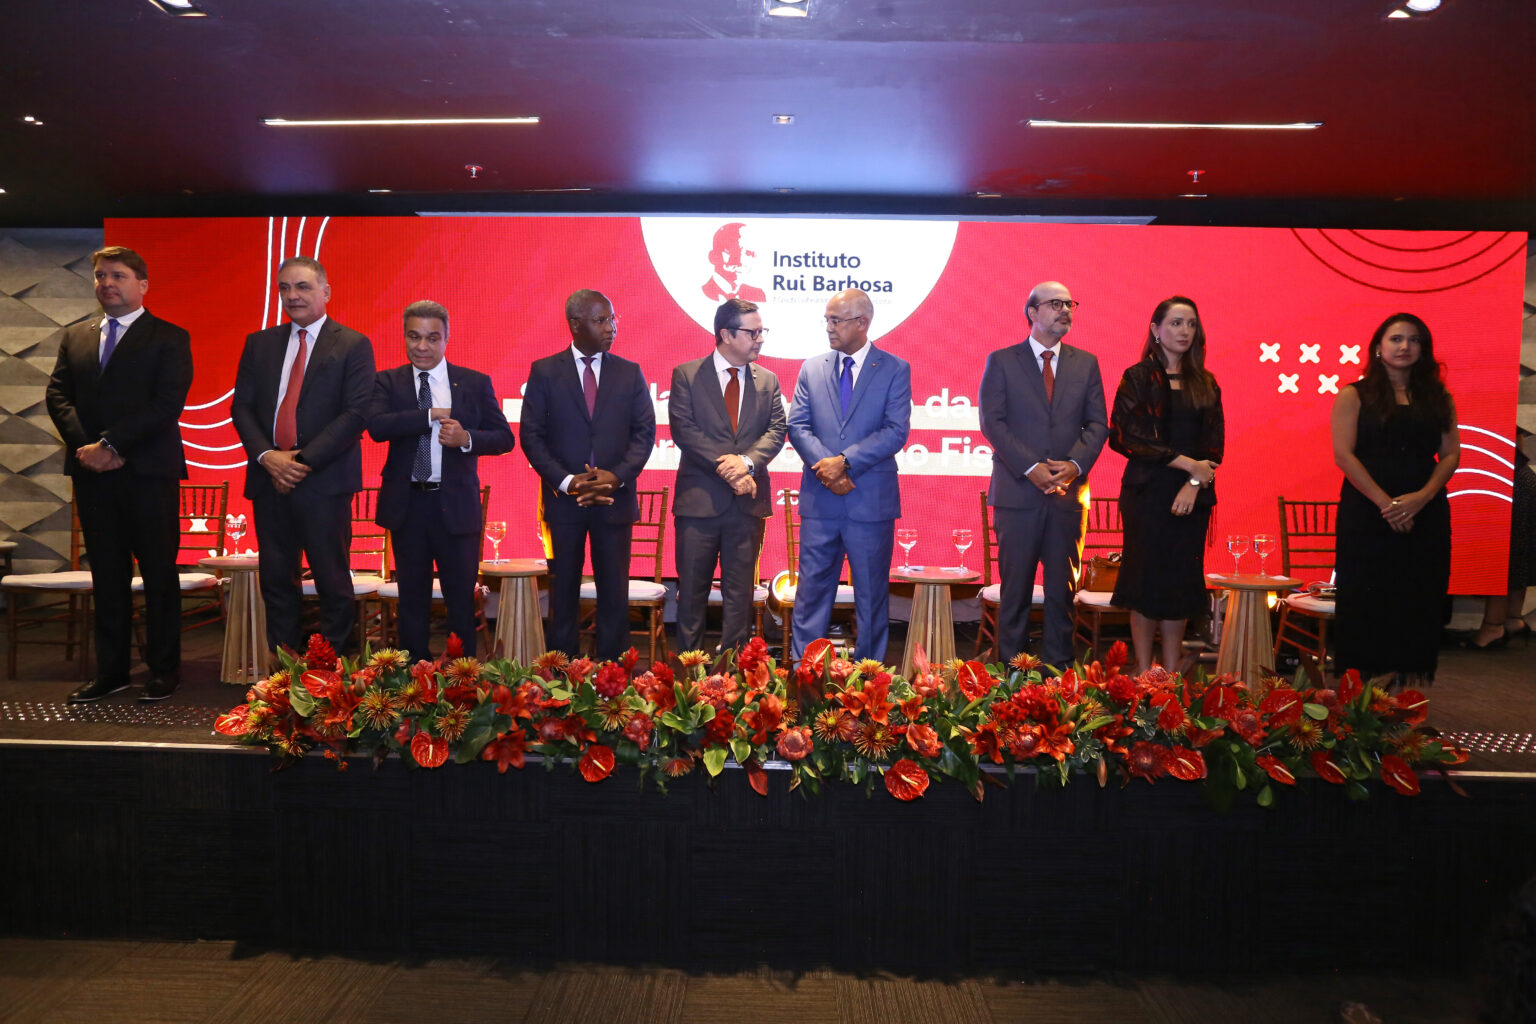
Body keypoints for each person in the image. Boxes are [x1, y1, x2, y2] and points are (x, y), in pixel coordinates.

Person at [44, 246, 193, 702]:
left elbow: (167, 404)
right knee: (107, 576)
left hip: (148, 474)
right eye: (100, 275)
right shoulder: (76, 336)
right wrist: (87, 449)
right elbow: (57, 396)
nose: (107, 283)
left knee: (158, 574)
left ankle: (163, 670)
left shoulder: (169, 336)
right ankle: (112, 672)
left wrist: (112, 445)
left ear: (142, 284)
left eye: (118, 275)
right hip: (93, 475)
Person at [231, 256, 376, 656]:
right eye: (285, 288)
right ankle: (284, 673)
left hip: (323, 482)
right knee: (277, 581)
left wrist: (298, 462)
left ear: (325, 292)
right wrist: (267, 456)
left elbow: (356, 413)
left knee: (332, 582)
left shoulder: (353, 344)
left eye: (303, 287)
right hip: (268, 479)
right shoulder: (259, 344)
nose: (292, 295)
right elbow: (241, 407)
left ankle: (332, 676)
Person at [368, 300, 515, 659]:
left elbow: (504, 438)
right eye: (414, 337)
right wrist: (429, 414)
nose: (422, 346)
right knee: (412, 601)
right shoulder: (388, 381)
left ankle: (462, 680)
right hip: (408, 506)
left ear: (446, 338)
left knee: (460, 601)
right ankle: (413, 679)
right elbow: (377, 427)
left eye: (432, 338)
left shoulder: (474, 383)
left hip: (456, 507)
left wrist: (466, 439)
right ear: (404, 337)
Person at [520, 290, 656, 660]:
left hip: (614, 500)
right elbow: (531, 436)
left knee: (614, 594)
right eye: (600, 320)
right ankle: (561, 676)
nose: (611, 327)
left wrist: (616, 477)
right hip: (565, 503)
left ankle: (614, 676)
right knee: (563, 593)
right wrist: (568, 482)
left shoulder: (629, 373)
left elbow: (644, 433)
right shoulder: (545, 371)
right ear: (576, 325)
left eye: (612, 318)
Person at [979, 280, 1108, 669]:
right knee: (1015, 593)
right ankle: (1010, 678)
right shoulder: (1002, 361)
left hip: (1068, 496)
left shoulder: (1086, 363)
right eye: (1055, 303)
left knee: (1061, 593)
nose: (1065, 310)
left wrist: (1074, 465)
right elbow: (993, 422)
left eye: (1070, 303)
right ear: (1032, 312)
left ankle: (1058, 677)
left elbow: (1097, 424)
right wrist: (1031, 467)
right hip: (1017, 494)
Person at [1331, 312, 1460, 685]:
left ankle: (1401, 692)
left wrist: (1422, 498)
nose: (1405, 346)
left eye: (1414, 340)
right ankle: (1360, 691)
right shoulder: (1354, 395)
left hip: (1426, 512)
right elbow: (1344, 455)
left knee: (1418, 597)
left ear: (1424, 349)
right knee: (1367, 598)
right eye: (1396, 339)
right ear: (1378, 347)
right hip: (1367, 511)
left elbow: (1450, 454)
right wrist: (1387, 505)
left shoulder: (1438, 397)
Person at [786, 288, 911, 663]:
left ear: (862, 323)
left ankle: (869, 680)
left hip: (870, 503)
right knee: (810, 595)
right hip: (821, 502)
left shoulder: (894, 368)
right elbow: (798, 426)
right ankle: (805, 675)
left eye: (836, 320)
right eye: (827, 320)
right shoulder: (812, 367)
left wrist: (844, 461)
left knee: (871, 597)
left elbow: (895, 431)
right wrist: (828, 469)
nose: (829, 327)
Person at [1107, 296, 1225, 676]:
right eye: (1176, 323)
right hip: (1147, 494)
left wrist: (1193, 480)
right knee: (1145, 582)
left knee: (1178, 585)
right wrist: (1187, 463)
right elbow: (1125, 436)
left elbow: (1213, 448)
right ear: (1156, 329)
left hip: (1193, 497)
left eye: (1191, 324)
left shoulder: (1206, 382)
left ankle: (1171, 676)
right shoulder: (1138, 377)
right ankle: (1144, 674)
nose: (1184, 331)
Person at [668, 298, 787, 655]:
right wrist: (730, 470)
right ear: (726, 334)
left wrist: (746, 463)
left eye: (762, 331)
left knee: (740, 597)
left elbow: (776, 430)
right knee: (692, 594)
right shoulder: (687, 375)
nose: (760, 339)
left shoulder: (768, 380)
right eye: (753, 332)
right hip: (698, 504)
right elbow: (685, 431)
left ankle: (732, 674)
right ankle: (689, 675)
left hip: (746, 506)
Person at [1466, 425, 1533, 649]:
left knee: (1502, 553)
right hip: (1518, 475)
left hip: (1503, 478)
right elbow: (1518, 439)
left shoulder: (1477, 407)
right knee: (1516, 551)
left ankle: (1493, 627)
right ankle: (1512, 619)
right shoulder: (1497, 406)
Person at [701, 223, 766, 303]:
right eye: (732, 251)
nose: (740, 262)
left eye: (748, 253)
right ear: (713, 256)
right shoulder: (700, 295)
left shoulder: (758, 296)